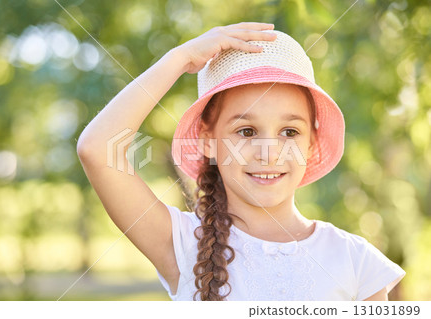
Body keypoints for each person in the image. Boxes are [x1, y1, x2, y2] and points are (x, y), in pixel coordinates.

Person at [76, 22, 406, 301]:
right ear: (208, 140)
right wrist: (180, 58)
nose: (269, 152)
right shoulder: (180, 244)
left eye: (289, 131)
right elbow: (97, 148)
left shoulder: (357, 263)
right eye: (246, 131)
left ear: (311, 143)